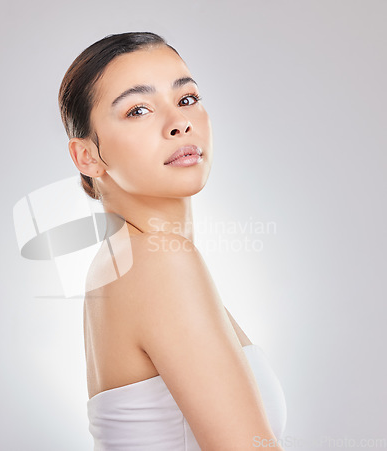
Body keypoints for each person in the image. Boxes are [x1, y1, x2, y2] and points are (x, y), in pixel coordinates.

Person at [58, 31, 287, 450]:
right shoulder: (157, 263)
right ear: (87, 156)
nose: (180, 122)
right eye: (139, 109)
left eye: (186, 99)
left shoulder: (124, 259)